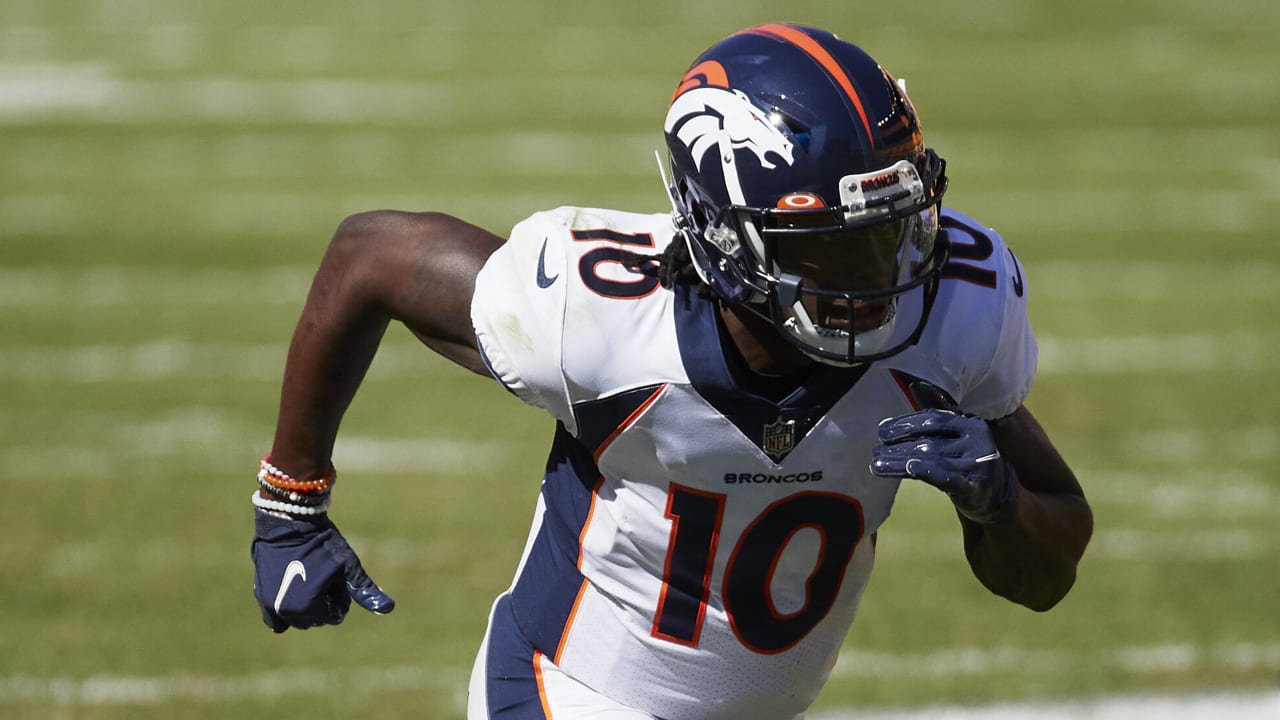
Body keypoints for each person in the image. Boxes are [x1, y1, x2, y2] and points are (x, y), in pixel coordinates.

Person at [249, 23, 1093, 720]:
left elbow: (1051, 571)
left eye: (892, 231)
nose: (878, 281)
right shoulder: (602, 318)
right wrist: (290, 503)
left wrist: (999, 504)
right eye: (832, 246)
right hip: (570, 692)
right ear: (725, 234)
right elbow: (370, 255)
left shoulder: (951, 316)